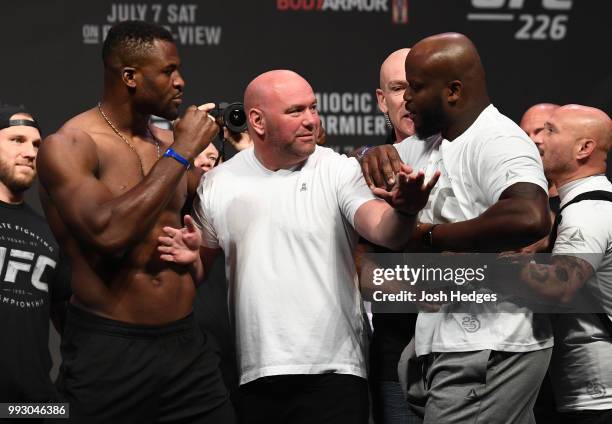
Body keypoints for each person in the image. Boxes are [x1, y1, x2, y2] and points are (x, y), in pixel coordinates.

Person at [158, 69, 438, 424]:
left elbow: (387, 231)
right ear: (257, 121)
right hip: (255, 374)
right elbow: (200, 266)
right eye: (295, 111)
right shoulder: (218, 183)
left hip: (336, 372)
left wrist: (406, 211)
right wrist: (190, 259)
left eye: (313, 108)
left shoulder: (338, 171)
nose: (311, 120)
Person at [36, 21, 234, 423]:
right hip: (110, 352)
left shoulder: (166, 145)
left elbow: (223, 201)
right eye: (168, 71)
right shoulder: (72, 144)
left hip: (185, 349)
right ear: (129, 76)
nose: (181, 82)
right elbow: (108, 233)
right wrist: (180, 153)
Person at [360, 33, 552, 423]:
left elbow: (530, 215)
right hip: (452, 339)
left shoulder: (497, 139)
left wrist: (429, 236)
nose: (406, 99)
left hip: (488, 340)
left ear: (452, 90)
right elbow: (359, 171)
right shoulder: (428, 144)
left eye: (415, 88)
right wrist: (371, 154)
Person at [510, 105, 612, 423]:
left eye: (550, 131)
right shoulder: (585, 204)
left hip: (598, 400)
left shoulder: (589, 210)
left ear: (584, 148)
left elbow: (559, 286)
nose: (537, 140)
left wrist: (488, 265)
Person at [0, 105, 70, 410]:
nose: (31, 152)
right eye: (17, 140)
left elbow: (72, 328)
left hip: (33, 407)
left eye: (37, 145)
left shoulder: (50, 233)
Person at [368, 48, 422, 424]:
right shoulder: (359, 168)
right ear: (381, 99)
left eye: (417, 86)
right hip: (395, 348)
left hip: (473, 348)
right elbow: (358, 268)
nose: (409, 98)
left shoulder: (476, 157)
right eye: (398, 87)